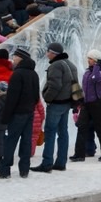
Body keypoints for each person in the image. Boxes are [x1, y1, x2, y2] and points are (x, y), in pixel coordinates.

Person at [0, 48, 40, 179]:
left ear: (20, 58)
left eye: (14, 57)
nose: (12, 60)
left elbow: (12, 98)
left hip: (17, 114)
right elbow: (37, 97)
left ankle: (4, 169)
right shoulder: (34, 74)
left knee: (10, 141)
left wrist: (6, 116)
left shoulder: (17, 74)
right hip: (29, 112)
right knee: (26, 141)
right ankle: (24, 169)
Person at [32, 42, 78, 173]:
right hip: (67, 103)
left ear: (53, 53)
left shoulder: (56, 65)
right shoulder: (71, 64)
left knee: (50, 132)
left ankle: (47, 163)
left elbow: (55, 85)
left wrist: (47, 97)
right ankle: (61, 162)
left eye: (48, 51)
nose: (46, 54)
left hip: (57, 103)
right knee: (63, 132)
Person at [70, 49, 101, 162]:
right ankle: (79, 154)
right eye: (88, 58)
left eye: (91, 59)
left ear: (96, 60)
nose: (88, 60)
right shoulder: (88, 71)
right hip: (87, 103)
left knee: (100, 128)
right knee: (81, 126)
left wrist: (98, 65)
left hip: (97, 103)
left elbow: (96, 78)